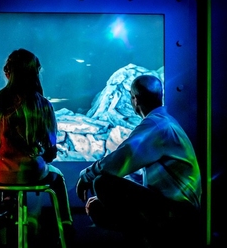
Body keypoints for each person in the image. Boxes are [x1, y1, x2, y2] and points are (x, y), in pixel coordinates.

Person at [75, 74, 202, 247]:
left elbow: (120, 160)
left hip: (177, 213)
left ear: (134, 100)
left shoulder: (156, 126)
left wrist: (87, 175)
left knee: (103, 183)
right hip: (178, 210)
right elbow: (138, 171)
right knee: (100, 207)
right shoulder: (165, 122)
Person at [0, 48, 74, 243]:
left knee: (14, 181)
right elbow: (51, 151)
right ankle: (66, 227)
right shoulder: (42, 104)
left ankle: (9, 211)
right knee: (56, 177)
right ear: (35, 72)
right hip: (30, 171)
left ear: (8, 72)